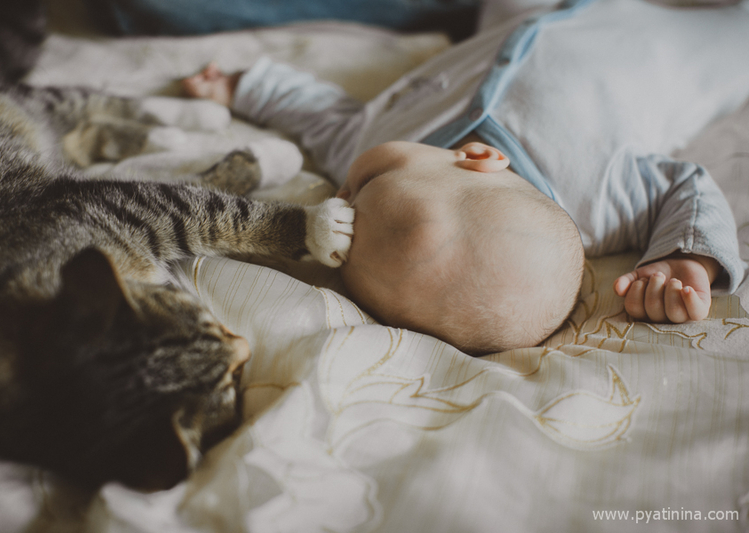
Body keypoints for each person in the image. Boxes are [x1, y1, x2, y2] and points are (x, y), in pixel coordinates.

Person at [181, 0, 748, 354]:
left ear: (477, 157)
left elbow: (325, 117)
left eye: (349, 204)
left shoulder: (368, 145)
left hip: (513, 22)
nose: (339, 196)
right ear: (482, 160)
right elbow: (688, 186)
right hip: (659, 50)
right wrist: (684, 260)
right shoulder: (599, 200)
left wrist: (247, 86)